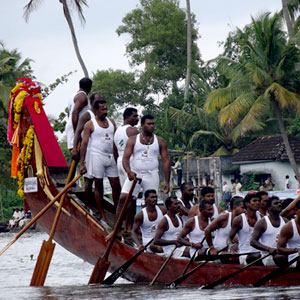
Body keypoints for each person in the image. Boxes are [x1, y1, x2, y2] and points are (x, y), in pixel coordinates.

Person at [110, 114, 170, 240]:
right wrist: (128, 172)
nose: (152, 126)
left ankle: (150, 234)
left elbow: (165, 161)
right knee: (123, 198)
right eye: (149, 124)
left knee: (151, 203)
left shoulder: (160, 141)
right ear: (142, 125)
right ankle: (117, 230)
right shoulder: (132, 139)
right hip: (135, 174)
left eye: (153, 124)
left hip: (152, 174)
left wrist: (167, 182)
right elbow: (125, 158)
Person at [80, 98, 121, 222]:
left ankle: (118, 212)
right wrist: (83, 163)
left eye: (106, 109)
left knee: (116, 185)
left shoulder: (112, 122)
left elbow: (115, 141)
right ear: (96, 110)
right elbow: (84, 144)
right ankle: (101, 213)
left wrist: (117, 158)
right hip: (96, 155)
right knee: (98, 184)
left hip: (110, 157)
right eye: (102, 109)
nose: (105, 111)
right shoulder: (90, 124)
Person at [71, 93, 103, 209]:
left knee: (99, 181)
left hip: (101, 154)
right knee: (89, 179)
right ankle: (89, 205)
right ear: (92, 103)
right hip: (89, 150)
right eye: (97, 101)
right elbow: (77, 132)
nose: (100, 104)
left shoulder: (105, 118)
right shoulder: (87, 115)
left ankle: (99, 206)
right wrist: (75, 149)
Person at [250, 196, 287, 267]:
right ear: (269, 207)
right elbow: (253, 241)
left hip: (282, 253)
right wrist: (268, 249)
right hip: (268, 257)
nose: (279, 204)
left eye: (280, 203)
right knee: (281, 258)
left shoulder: (286, 221)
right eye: (276, 203)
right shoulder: (262, 222)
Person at [227, 193, 261, 265]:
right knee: (257, 256)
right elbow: (229, 238)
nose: (257, 203)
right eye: (254, 201)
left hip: (260, 253)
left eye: (258, 201)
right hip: (245, 255)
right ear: (247, 204)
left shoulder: (261, 217)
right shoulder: (239, 219)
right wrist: (231, 245)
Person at [114, 107, 139, 187]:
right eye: (134, 116)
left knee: (125, 190)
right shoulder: (132, 130)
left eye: (137, 116)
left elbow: (114, 149)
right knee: (132, 191)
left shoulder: (117, 130)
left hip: (120, 162)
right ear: (127, 117)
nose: (137, 118)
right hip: (130, 162)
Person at [66, 77, 93, 151]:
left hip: (72, 125)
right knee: (76, 154)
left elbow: (69, 113)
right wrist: (76, 132)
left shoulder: (73, 95)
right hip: (76, 127)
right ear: (90, 87)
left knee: (78, 154)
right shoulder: (82, 97)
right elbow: (74, 113)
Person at [277, 200, 300, 267]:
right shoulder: (288, 227)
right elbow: (279, 248)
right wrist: (297, 250)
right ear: (296, 210)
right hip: (295, 257)